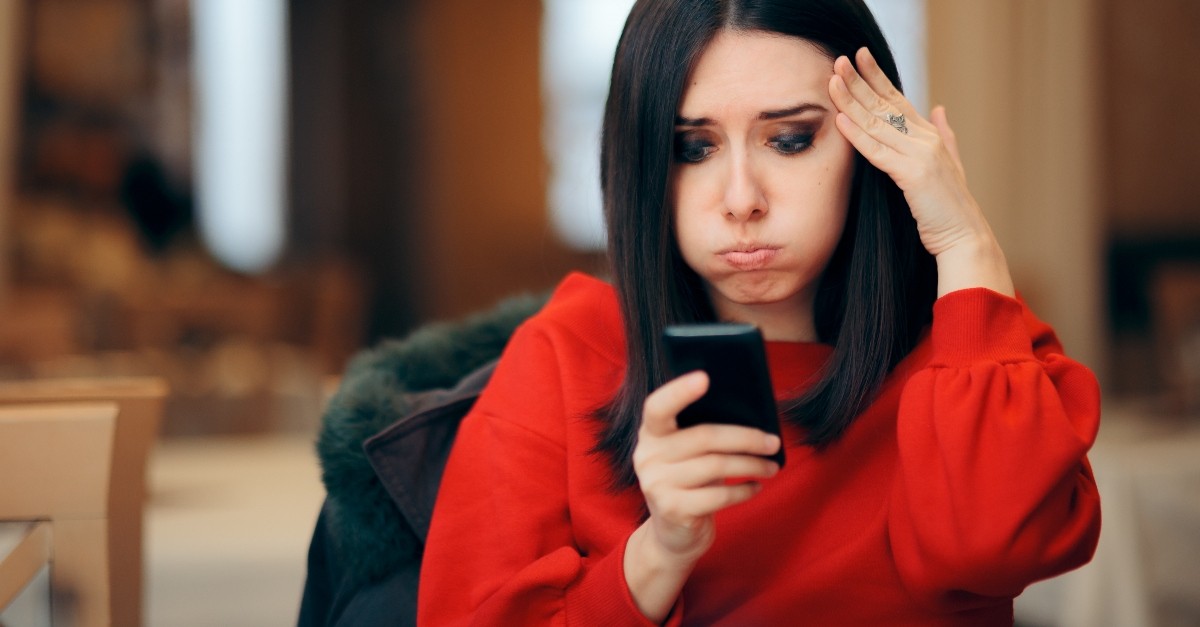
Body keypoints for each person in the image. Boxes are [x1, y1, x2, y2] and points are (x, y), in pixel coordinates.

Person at [418, 0, 1101, 624]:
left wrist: (963, 238)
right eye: (694, 147)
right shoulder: (566, 355)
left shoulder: (973, 344)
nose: (741, 199)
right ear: (642, 163)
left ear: (872, 146)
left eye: (790, 138)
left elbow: (995, 548)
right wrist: (658, 551)